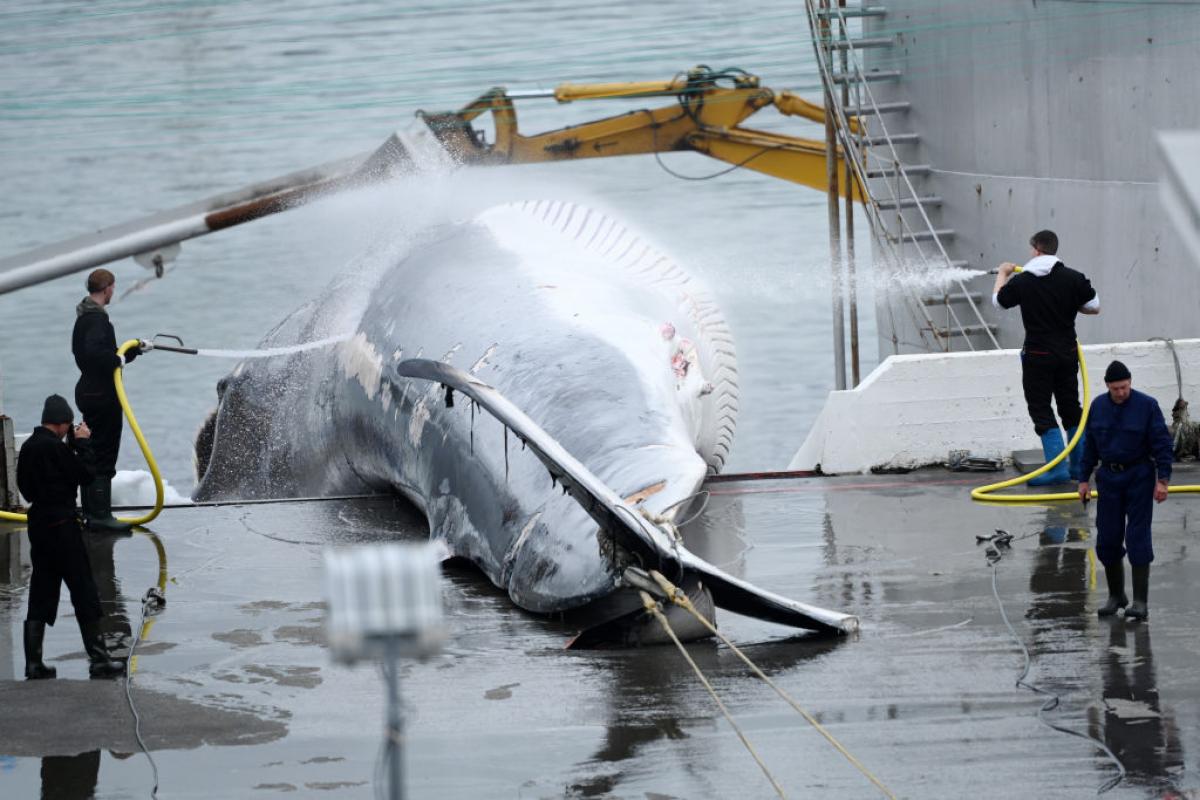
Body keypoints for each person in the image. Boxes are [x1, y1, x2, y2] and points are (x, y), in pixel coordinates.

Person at [17, 394, 125, 679]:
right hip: (64, 528)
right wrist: (84, 444)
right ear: (62, 423)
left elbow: (24, 488)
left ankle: (33, 664)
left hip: (39, 527)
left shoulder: (29, 447)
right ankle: (100, 660)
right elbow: (87, 475)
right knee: (83, 590)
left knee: (41, 591)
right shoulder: (55, 448)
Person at [993, 230, 1100, 484]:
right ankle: (1079, 468)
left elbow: (999, 301)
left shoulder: (1023, 281)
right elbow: (1094, 307)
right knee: (1070, 407)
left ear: (1037, 250)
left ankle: (1056, 469)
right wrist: (1067, 304)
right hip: (1067, 353)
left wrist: (1002, 274)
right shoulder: (1074, 278)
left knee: (1041, 408)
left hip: (1038, 354)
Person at [1077, 361, 1173, 620]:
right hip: (1109, 478)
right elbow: (1090, 445)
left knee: (1137, 536)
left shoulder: (1147, 406)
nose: (1121, 392)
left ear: (1130, 383)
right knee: (1107, 537)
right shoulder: (1098, 406)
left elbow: (1162, 443)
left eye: (1125, 387)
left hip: (1139, 476)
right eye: (1116, 388)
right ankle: (1116, 595)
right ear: (1108, 386)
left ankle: (1140, 602)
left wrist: (1163, 480)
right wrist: (1083, 479)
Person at [72, 268, 142, 531]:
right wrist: (118, 359)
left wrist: (132, 351)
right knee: (104, 452)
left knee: (91, 450)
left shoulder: (84, 317)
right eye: (113, 287)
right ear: (108, 288)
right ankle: (100, 516)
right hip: (102, 395)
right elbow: (97, 355)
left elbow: (103, 353)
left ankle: (92, 513)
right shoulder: (96, 320)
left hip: (90, 390)